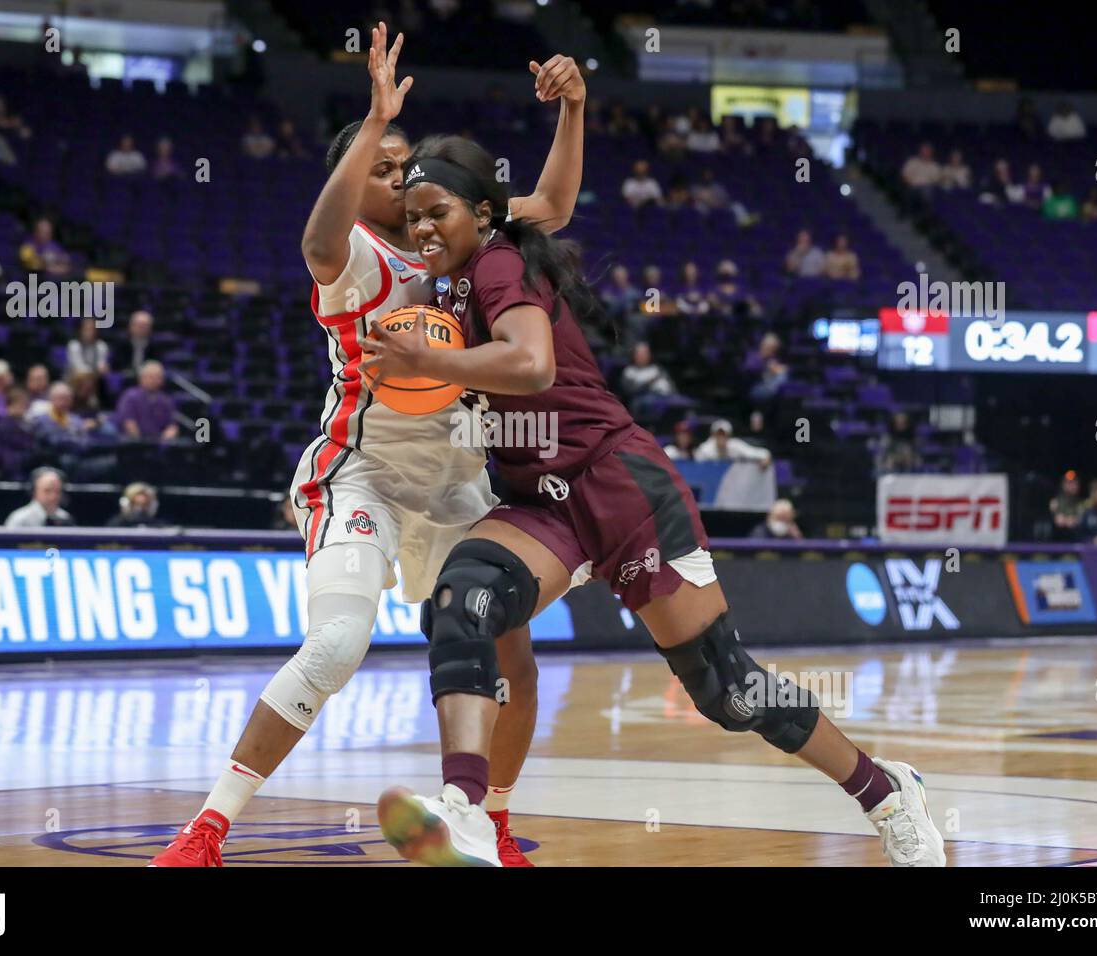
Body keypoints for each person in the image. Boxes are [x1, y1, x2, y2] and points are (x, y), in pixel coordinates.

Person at [362, 131, 945, 868]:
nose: (420, 229)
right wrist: (573, 109)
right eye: (411, 217)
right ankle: (465, 809)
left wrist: (429, 361)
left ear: (481, 213)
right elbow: (554, 202)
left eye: (434, 213)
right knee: (461, 599)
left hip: (618, 485)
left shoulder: (500, 263)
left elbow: (533, 364)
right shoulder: (451, 274)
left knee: (728, 691)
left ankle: (886, 791)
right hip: (540, 501)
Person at [149, 25, 587, 869]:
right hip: (365, 478)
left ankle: (488, 825)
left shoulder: (460, 234)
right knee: (338, 646)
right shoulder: (349, 253)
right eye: (381, 168)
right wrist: (377, 117)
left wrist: (572, 105)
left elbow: (554, 206)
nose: (399, 176)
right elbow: (317, 240)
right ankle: (207, 828)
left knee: (516, 661)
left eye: (404, 163)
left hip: (460, 486)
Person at [115, 360, 178, 439]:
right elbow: (129, 423)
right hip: (133, 442)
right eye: (151, 377)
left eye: (158, 377)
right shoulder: (130, 396)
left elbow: (171, 425)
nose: (154, 381)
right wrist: (142, 442)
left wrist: (169, 435)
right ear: (141, 378)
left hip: (158, 441)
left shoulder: (166, 400)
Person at [5, 467, 75, 527]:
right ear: (34, 491)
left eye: (57, 491)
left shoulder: (66, 519)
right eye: (47, 490)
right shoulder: (19, 519)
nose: (53, 496)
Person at [696, 418, 772, 467]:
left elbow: (764, 453)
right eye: (718, 435)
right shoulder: (705, 449)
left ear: (729, 436)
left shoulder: (736, 445)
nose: (721, 438)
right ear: (713, 436)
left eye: (724, 435)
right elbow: (696, 465)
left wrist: (766, 458)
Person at [1049, 470, 1085, 539]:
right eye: (1069, 483)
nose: (1072, 486)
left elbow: (1080, 520)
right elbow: (1058, 521)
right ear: (1063, 485)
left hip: (1077, 539)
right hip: (1058, 539)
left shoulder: (1083, 503)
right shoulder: (1055, 502)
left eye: (1075, 483)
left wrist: (1074, 520)